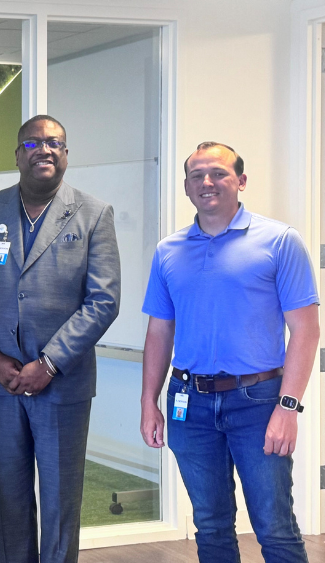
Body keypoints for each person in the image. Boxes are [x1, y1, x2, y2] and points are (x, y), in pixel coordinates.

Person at [140, 142, 317, 562]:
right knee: (211, 525)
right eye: (197, 174)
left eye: (218, 173)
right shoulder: (169, 251)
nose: (207, 182)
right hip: (190, 403)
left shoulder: (279, 242)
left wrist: (288, 407)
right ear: (185, 186)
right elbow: (159, 331)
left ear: (240, 181)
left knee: (274, 527)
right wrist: (149, 401)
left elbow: (306, 332)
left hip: (258, 403)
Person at [0, 115, 121, 563]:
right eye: (33, 144)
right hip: (2, 383)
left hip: (62, 385)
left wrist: (48, 363)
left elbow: (103, 301)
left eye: (54, 143)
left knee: (60, 502)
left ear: (65, 154)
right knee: (8, 499)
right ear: (17, 155)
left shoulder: (93, 214)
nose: (44, 150)